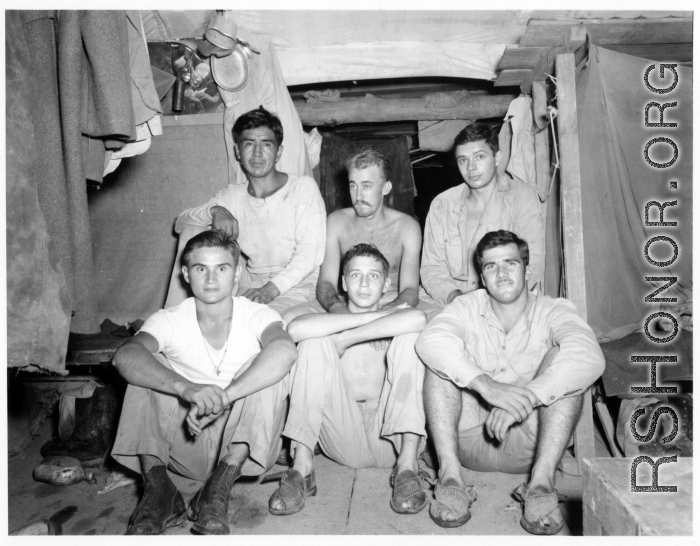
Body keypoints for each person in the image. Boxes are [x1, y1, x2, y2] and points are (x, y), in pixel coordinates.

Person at [416, 230, 605, 534]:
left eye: (510, 263)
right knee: (441, 362)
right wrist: (487, 387)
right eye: (491, 266)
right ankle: (450, 477)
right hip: (467, 439)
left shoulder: (552, 309)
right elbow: (430, 341)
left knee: (565, 360)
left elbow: (590, 356)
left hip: (533, 445)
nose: (501, 274)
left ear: (527, 270)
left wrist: (527, 397)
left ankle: (541, 484)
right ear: (482, 275)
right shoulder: (467, 307)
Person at [111, 230, 298, 535]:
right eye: (201, 269)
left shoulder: (257, 314)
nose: (211, 279)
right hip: (188, 443)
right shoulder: (170, 318)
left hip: (247, 445)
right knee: (144, 364)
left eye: (221, 268)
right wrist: (187, 389)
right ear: (186, 274)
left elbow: (285, 351)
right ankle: (159, 493)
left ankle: (218, 488)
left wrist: (225, 397)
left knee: (267, 363)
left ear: (237, 273)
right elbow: (124, 357)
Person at [266, 244, 429, 516]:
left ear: (387, 283)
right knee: (313, 344)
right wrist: (369, 320)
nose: (364, 284)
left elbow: (419, 317)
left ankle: (409, 468)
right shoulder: (332, 321)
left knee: (410, 338)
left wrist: (346, 338)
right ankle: (302, 468)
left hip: (392, 436)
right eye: (355, 275)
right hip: (344, 437)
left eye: (374, 276)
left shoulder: (399, 318)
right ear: (343, 282)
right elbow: (295, 329)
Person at [166, 106, 326, 315]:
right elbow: (181, 223)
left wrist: (270, 290)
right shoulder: (232, 196)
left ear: (278, 152)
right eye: (249, 144)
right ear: (237, 152)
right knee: (192, 232)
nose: (257, 153)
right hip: (251, 283)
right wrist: (216, 211)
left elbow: (310, 253)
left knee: (256, 325)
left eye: (266, 144)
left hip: (297, 286)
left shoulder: (302, 188)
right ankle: (175, 318)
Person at [283, 148, 440, 325]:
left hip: (390, 301)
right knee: (289, 319)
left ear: (386, 188)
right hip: (344, 301)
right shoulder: (336, 222)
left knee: (441, 321)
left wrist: (381, 317)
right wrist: (341, 312)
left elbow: (410, 290)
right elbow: (326, 283)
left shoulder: (406, 227)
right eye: (353, 185)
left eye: (366, 186)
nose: (358, 196)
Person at [420, 123, 545, 309]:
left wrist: (493, 304)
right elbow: (432, 268)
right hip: (449, 302)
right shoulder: (442, 204)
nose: (471, 167)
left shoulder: (521, 196)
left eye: (479, 157)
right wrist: (456, 299)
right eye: (463, 160)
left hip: (507, 299)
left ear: (497, 158)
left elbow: (532, 263)